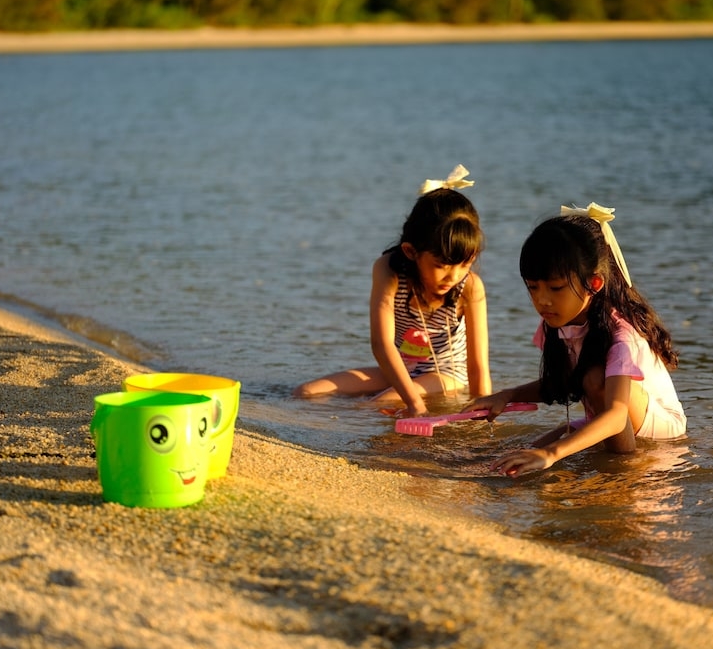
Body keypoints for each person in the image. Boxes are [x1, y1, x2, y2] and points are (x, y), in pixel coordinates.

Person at [466, 203, 686, 478]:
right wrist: (506, 395)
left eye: (556, 288)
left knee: (590, 386)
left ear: (593, 284)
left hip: (658, 429)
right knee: (513, 462)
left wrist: (552, 454)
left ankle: (624, 471)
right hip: (603, 416)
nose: (542, 300)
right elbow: (564, 382)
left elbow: (617, 414)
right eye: (533, 288)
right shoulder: (556, 322)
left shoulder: (620, 335)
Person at [293, 166, 492, 418]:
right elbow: (381, 344)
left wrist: (484, 416)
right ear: (411, 252)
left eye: (465, 264)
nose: (453, 276)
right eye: (440, 265)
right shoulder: (389, 271)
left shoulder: (470, 287)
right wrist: (414, 403)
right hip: (399, 367)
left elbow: (477, 367)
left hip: (447, 375)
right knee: (306, 393)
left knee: (373, 405)